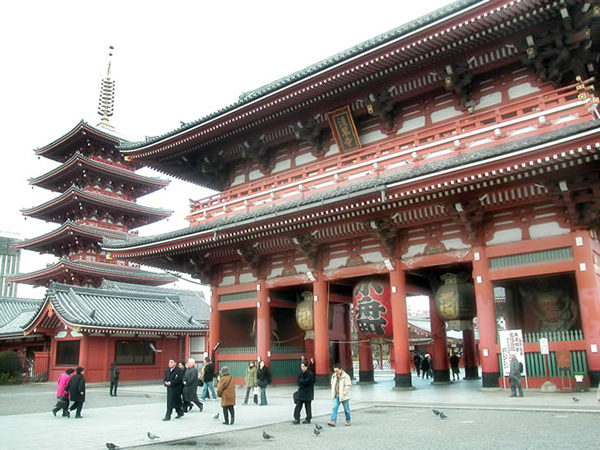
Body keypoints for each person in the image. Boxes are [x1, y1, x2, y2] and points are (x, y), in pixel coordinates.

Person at [292, 360, 314, 424]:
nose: (302, 368)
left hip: (308, 392)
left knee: (308, 406)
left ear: (307, 367)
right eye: (301, 366)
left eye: (304, 366)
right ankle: (296, 418)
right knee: (298, 405)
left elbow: (307, 382)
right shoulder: (300, 373)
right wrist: (302, 382)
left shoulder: (310, 374)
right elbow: (298, 382)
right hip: (301, 392)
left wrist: (302, 382)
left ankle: (308, 418)